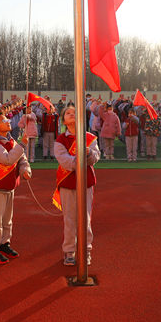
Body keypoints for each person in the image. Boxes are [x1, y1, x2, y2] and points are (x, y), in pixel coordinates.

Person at [0, 110, 32, 265]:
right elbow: (8, 160)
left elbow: (21, 159)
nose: (8, 121)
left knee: (7, 220)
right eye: (4, 121)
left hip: (10, 187)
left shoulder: (11, 141)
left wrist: (25, 170)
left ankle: (5, 244)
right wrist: (23, 144)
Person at [54, 105, 101, 266]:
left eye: (75, 112)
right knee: (70, 219)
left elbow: (95, 158)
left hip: (86, 183)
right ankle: (69, 251)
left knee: (85, 219)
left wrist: (88, 153)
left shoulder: (89, 137)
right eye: (68, 113)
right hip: (68, 183)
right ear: (64, 120)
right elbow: (65, 161)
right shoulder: (60, 140)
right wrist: (80, 160)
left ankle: (86, 250)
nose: (71, 114)